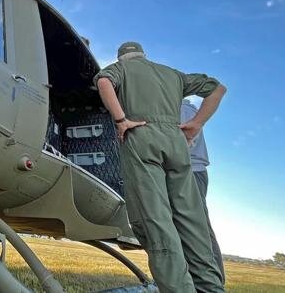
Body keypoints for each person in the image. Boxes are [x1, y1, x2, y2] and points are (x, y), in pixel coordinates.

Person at [95, 42, 226, 293]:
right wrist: (197, 124)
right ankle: (211, 287)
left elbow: (103, 83)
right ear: (144, 55)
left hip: (142, 138)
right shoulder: (172, 74)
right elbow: (218, 88)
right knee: (192, 221)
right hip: (176, 144)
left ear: (122, 58)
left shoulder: (121, 69)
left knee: (156, 222)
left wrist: (121, 120)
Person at [182, 99, 225, 283]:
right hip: (189, 171)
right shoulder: (184, 107)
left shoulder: (182, 108)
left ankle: (214, 282)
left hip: (191, 171)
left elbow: (179, 141)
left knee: (200, 229)